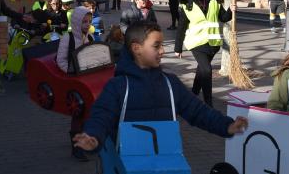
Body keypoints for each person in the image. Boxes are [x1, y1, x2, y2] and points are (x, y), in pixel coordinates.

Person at [72, 22, 248, 155]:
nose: (163, 51)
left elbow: (198, 111)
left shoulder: (170, 83)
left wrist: (226, 126)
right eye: (156, 46)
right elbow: (101, 115)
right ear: (136, 48)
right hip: (126, 162)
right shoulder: (118, 86)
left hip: (164, 160)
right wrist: (93, 136)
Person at [175, 0, 234, 107]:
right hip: (196, 43)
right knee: (207, 70)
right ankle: (208, 103)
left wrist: (231, 10)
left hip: (212, 44)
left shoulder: (214, 1)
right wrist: (178, 47)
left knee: (202, 70)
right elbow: (181, 27)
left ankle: (194, 93)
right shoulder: (187, 4)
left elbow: (224, 18)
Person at [56, 6, 95, 161]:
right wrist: (70, 72)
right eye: (84, 21)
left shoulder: (91, 37)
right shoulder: (68, 38)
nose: (87, 24)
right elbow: (61, 60)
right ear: (77, 21)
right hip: (74, 80)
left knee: (88, 113)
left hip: (88, 80)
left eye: (89, 21)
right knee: (78, 113)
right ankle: (77, 147)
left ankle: (82, 141)